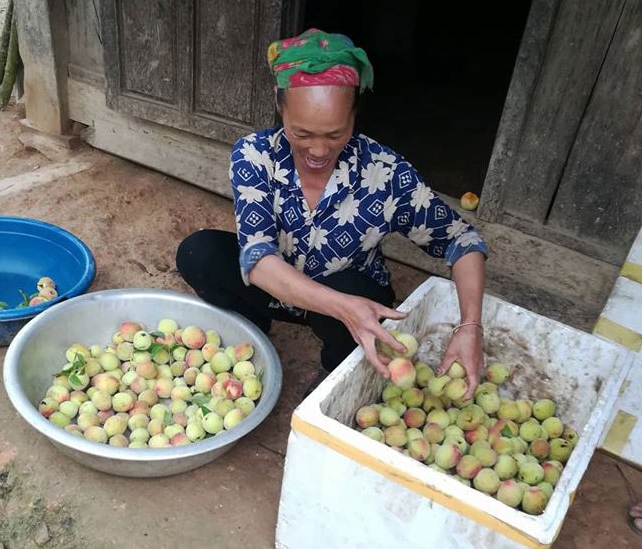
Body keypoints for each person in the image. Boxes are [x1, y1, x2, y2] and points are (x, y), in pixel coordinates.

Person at [176, 28, 487, 398]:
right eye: (302, 133)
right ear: (280, 106)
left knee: (353, 296)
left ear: (355, 115)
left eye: (336, 134)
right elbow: (258, 259)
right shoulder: (254, 155)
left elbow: (462, 241)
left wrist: (470, 326)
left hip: (348, 294)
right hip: (280, 289)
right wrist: (342, 307)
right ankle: (254, 329)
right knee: (199, 253)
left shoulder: (386, 173)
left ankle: (335, 365)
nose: (319, 151)